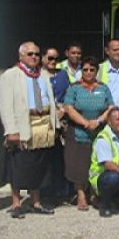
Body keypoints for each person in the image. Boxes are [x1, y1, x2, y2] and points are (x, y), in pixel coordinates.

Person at [0, 41, 57, 219]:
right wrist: (11, 130)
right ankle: (16, 204)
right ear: (21, 56)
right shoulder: (11, 75)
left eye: (37, 54)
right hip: (23, 125)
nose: (34, 57)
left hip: (42, 124)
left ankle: (36, 202)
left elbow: (50, 100)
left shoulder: (43, 75)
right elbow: (5, 105)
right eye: (30, 54)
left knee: (38, 165)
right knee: (19, 165)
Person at [63, 56, 113, 211]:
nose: (89, 72)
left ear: (96, 71)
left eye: (92, 69)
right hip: (79, 131)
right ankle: (81, 195)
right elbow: (68, 108)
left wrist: (98, 121)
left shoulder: (103, 88)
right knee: (79, 164)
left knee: (96, 164)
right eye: (85, 69)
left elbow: (110, 107)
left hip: (98, 131)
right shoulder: (74, 88)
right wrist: (85, 123)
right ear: (81, 71)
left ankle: (93, 194)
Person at [39, 47, 72, 201]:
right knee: (44, 156)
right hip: (44, 118)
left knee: (61, 156)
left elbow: (69, 94)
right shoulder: (37, 75)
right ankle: (45, 192)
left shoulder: (63, 74)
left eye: (56, 59)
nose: (53, 62)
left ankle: (62, 190)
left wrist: (64, 109)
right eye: (50, 58)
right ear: (43, 58)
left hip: (62, 118)